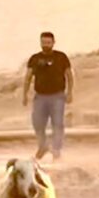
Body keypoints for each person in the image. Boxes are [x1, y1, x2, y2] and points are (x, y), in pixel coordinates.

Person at [23, 32, 74, 161]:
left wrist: (70, 92)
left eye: (48, 43)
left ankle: (56, 150)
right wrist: (25, 94)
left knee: (57, 123)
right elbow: (28, 77)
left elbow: (69, 75)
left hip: (57, 96)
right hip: (40, 96)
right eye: (43, 42)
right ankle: (43, 146)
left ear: (53, 43)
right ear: (40, 43)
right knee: (38, 123)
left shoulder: (61, 57)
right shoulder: (34, 59)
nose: (46, 45)